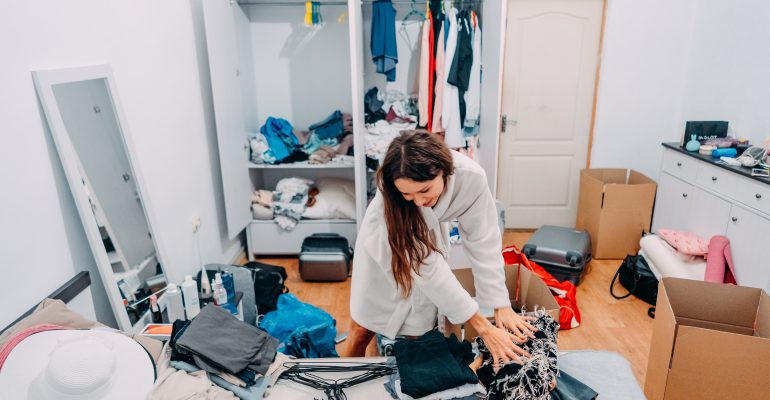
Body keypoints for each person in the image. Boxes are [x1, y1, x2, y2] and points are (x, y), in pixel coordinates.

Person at [346, 131, 536, 364]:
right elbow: (426, 267)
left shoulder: (471, 178)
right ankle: (345, 377)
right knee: (361, 329)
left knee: (418, 333)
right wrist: (483, 327)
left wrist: (500, 304)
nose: (418, 201)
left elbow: (483, 240)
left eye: (425, 190)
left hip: (428, 241)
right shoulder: (392, 198)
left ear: (445, 171)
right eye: (407, 194)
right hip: (386, 244)